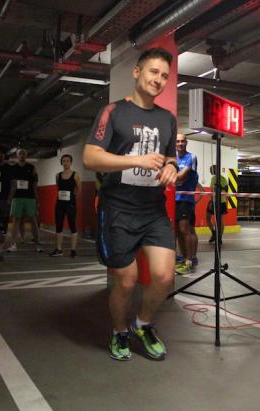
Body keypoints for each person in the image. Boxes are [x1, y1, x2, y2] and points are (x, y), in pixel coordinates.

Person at [83, 47, 177, 361]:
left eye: (164, 75)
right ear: (137, 72)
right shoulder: (113, 112)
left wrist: (171, 168)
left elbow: (171, 157)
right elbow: (90, 157)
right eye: (153, 72)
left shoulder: (167, 119)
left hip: (153, 210)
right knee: (126, 280)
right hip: (118, 209)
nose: (158, 79)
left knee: (164, 276)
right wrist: (137, 159)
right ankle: (119, 331)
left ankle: (143, 324)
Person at [8, 148, 42, 252]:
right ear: (17, 156)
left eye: (24, 153)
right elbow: (12, 185)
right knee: (16, 221)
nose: (22, 155)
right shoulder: (13, 168)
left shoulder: (32, 167)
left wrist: (37, 199)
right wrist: (10, 198)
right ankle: (13, 245)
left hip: (30, 198)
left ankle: (37, 244)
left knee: (33, 220)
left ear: (26, 155)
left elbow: (35, 185)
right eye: (20, 153)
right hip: (17, 198)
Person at [174, 133, 199, 275]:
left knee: (185, 229)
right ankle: (185, 259)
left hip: (186, 199)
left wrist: (166, 176)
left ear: (186, 142)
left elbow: (182, 176)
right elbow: (177, 178)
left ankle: (190, 261)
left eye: (182, 141)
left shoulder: (191, 157)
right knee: (178, 230)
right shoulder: (173, 159)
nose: (180, 143)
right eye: (178, 141)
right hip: (174, 199)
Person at [50, 154, 82, 257]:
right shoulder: (58, 175)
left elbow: (79, 189)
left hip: (70, 204)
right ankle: (59, 249)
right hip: (59, 204)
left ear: (71, 162)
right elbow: (58, 187)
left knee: (72, 225)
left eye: (68, 161)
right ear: (61, 163)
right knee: (59, 225)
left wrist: (72, 199)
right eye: (64, 161)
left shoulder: (76, 175)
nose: (66, 163)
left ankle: (73, 250)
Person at [206, 164, 228, 245]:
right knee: (209, 217)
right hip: (218, 201)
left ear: (215, 170)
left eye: (211, 169)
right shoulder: (222, 179)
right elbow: (225, 190)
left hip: (218, 201)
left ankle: (218, 236)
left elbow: (213, 191)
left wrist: (212, 202)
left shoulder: (217, 178)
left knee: (217, 221)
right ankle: (215, 234)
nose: (210, 171)